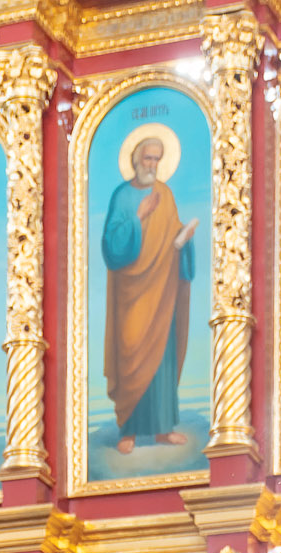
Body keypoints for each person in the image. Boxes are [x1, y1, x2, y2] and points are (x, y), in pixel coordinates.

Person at [101, 133, 198, 453]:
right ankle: (128, 430)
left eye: (157, 159)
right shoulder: (122, 196)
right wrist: (138, 216)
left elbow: (171, 236)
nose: (153, 165)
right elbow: (111, 246)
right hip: (131, 293)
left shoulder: (165, 194)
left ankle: (162, 429)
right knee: (131, 351)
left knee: (162, 359)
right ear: (135, 160)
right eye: (148, 158)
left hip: (162, 291)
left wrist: (184, 240)